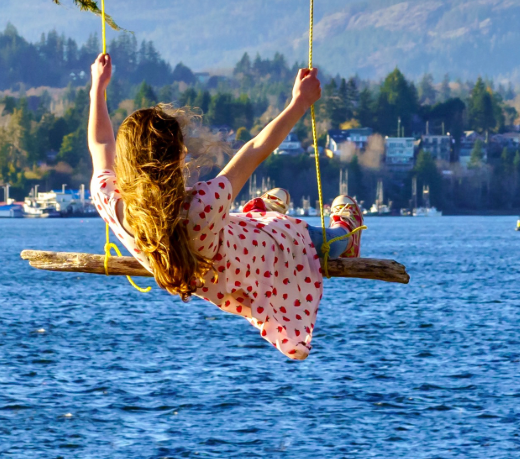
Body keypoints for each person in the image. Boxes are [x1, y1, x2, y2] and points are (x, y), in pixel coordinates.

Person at [87, 52, 363, 360]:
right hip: (260, 255)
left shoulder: (115, 206)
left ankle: (260, 213)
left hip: (222, 278)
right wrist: (299, 103)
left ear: (126, 164)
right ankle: (344, 236)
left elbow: (100, 144)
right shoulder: (205, 203)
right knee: (304, 243)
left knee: (247, 226)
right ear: (180, 155)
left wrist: (97, 88)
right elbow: (255, 149)